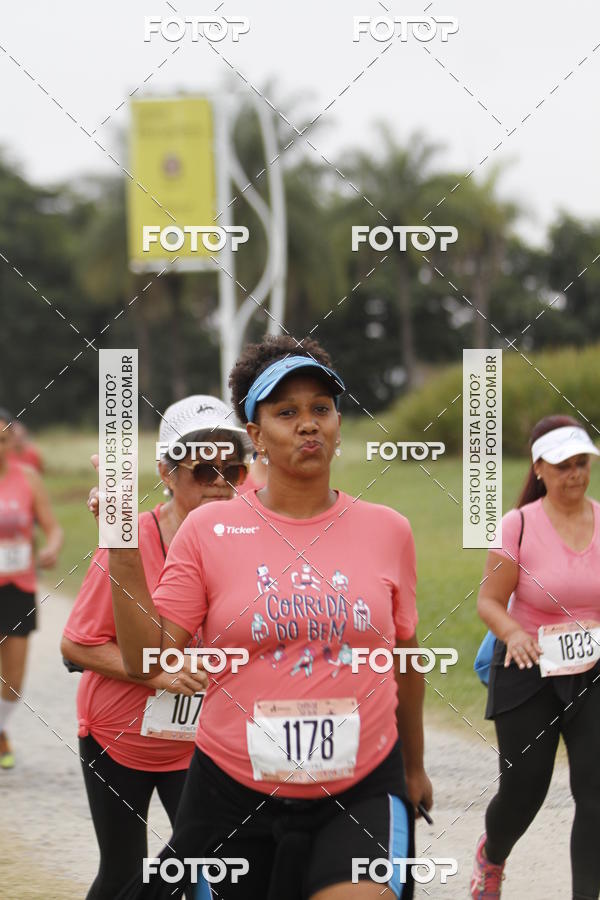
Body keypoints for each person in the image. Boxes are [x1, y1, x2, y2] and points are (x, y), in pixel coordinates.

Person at [108, 335, 432, 900]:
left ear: (337, 422)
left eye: (320, 410)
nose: (308, 425)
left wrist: (414, 765)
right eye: (286, 413)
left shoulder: (389, 529)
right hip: (233, 793)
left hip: (360, 786)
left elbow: (405, 657)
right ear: (255, 436)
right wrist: (120, 548)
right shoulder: (207, 532)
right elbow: (145, 658)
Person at [61, 396, 252, 900]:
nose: (220, 485)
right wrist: (160, 674)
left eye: (232, 469)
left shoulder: (248, 538)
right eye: (204, 470)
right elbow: (78, 645)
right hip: (117, 737)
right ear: (167, 472)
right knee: (124, 870)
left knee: (210, 869)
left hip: (199, 743)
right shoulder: (132, 540)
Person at [471, 415, 600, 900]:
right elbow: (488, 601)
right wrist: (512, 633)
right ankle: (493, 854)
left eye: (582, 464)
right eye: (564, 465)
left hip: (592, 668)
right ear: (540, 468)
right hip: (527, 668)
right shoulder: (519, 525)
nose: (575, 474)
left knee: (596, 794)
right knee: (525, 789)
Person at [0, 409, 62, 768]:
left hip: (18, 587)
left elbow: (52, 528)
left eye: (3, 439)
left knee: (14, 680)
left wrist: (52, 547)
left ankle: (1, 726)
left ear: (13, 441)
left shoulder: (28, 479)